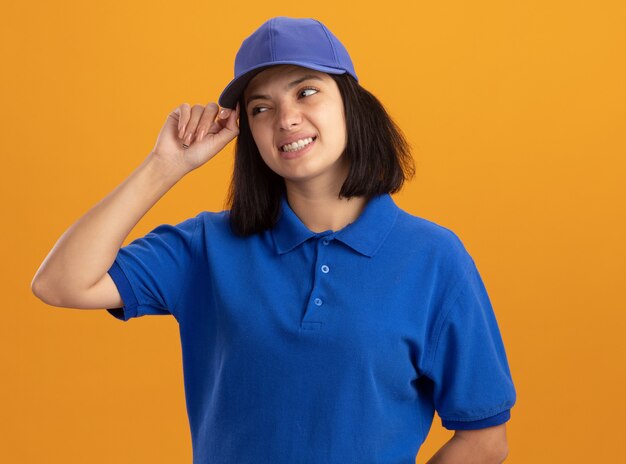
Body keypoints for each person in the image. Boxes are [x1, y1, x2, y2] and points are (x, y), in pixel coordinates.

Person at [32, 16, 516, 464]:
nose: (285, 119)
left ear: (352, 105)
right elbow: (60, 283)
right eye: (261, 108)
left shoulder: (433, 258)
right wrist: (166, 166)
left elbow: (484, 438)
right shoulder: (207, 246)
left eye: (306, 92)